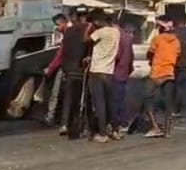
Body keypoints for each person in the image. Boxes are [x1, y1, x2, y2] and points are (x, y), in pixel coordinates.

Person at [84, 12, 122, 143]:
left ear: (99, 21)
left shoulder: (100, 32)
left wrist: (89, 27)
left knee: (99, 104)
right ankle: (115, 130)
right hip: (109, 71)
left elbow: (85, 39)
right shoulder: (116, 32)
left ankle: (102, 133)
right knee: (111, 103)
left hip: (97, 71)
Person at [143, 14, 181, 138]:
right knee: (168, 102)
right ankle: (168, 131)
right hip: (169, 73)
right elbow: (178, 55)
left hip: (156, 73)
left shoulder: (157, 39)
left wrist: (151, 60)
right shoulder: (176, 41)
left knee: (148, 99)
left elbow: (150, 54)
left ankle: (155, 127)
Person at [57, 10, 92, 139]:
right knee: (85, 99)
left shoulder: (68, 32)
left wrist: (65, 68)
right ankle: (85, 126)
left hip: (69, 69)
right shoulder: (89, 31)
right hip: (82, 69)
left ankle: (64, 124)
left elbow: (64, 51)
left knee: (69, 98)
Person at [39, 12, 71, 126]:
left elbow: (60, 56)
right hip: (71, 67)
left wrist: (50, 69)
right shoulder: (69, 33)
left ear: (64, 23)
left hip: (65, 67)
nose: (56, 27)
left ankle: (51, 116)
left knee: (55, 92)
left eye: (58, 25)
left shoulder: (68, 34)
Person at [112, 19, 136, 134]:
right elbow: (131, 56)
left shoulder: (117, 37)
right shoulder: (127, 37)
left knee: (116, 99)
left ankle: (121, 122)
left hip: (115, 71)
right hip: (124, 71)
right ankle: (123, 122)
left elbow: (116, 55)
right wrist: (130, 68)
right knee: (120, 97)